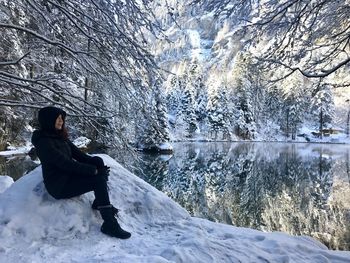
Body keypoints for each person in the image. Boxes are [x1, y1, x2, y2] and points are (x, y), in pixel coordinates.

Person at [31, 106, 131, 239]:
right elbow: (65, 164)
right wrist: (92, 171)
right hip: (59, 186)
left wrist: (96, 165)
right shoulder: (43, 142)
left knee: (97, 160)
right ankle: (109, 224)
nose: (61, 121)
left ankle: (99, 203)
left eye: (62, 118)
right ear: (48, 120)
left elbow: (80, 155)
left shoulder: (60, 137)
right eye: (58, 118)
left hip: (68, 177)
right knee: (98, 180)